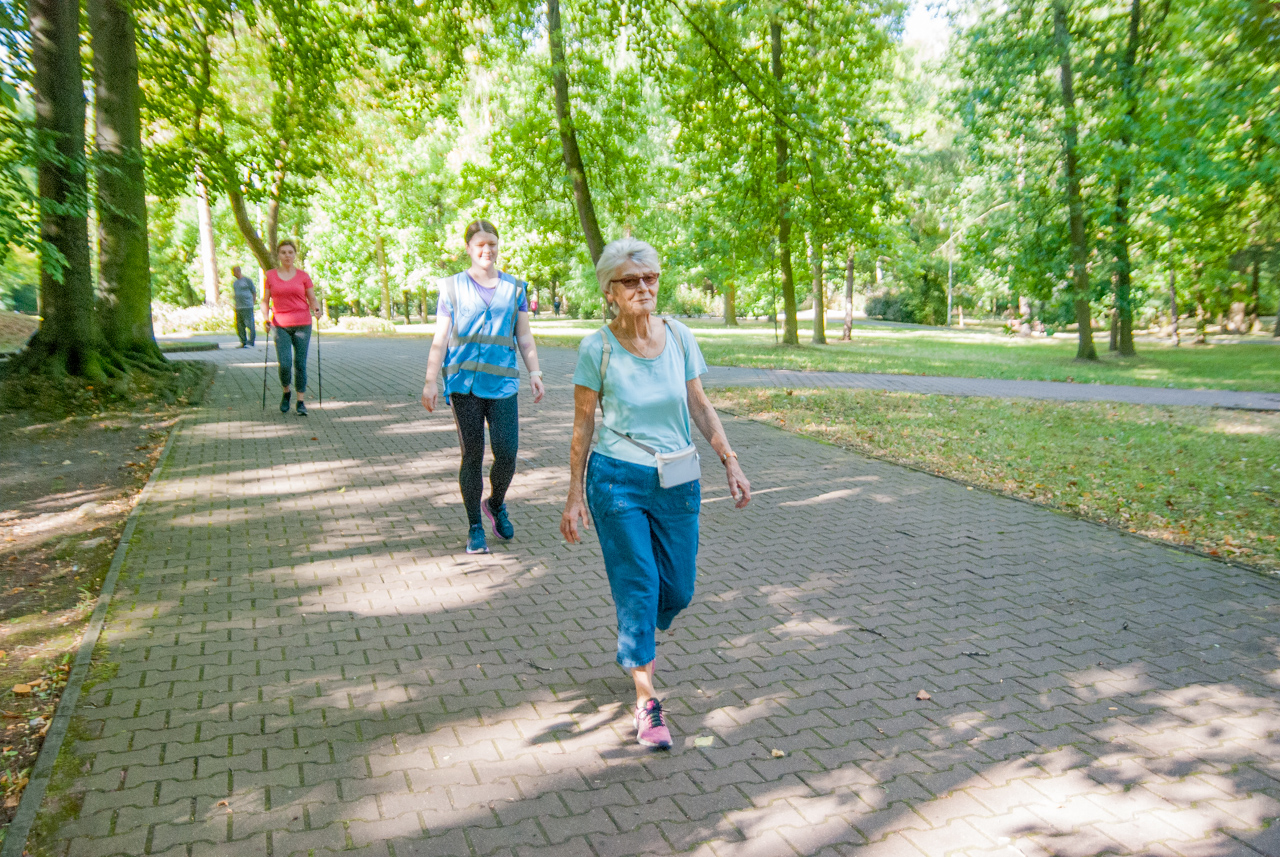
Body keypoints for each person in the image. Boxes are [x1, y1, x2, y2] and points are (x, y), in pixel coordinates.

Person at [560, 237, 751, 750]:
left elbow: (700, 404)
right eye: (631, 280)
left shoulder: (682, 336)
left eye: (650, 278)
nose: (643, 287)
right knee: (640, 584)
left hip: (679, 481)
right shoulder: (595, 348)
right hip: (616, 481)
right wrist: (574, 494)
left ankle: (639, 628)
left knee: (679, 590)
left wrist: (729, 460)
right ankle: (646, 702)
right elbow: (582, 426)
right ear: (609, 292)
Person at [421, 220, 546, 555]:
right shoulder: (451, 288)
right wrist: (431, 381)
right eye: (480, 245)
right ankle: (475, 526)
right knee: (472, 455)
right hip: (464, 385)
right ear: (468, 248)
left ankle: (497, 502)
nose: (486, 250)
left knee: (507, 453)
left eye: (492, 243)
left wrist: (535, 371)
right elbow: (441, 337)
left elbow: (524, 335)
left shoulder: (515, 288)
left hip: (503, 382)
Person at [262, 240, 320, 416]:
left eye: (290, 252)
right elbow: (265, 301)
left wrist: (316, 309)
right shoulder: (270, 276)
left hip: (303, 324)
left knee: (300, 364)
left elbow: (312, 298)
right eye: (283, 252)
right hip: (280, 326)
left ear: (295, 255)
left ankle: (301, 401)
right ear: (278, 255)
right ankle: (286, 392)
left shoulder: (303, 276)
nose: (287, 255)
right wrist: (265, 318)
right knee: (285, 363)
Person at [231, 265, 257, 348]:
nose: (233, 274)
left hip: (247, 306)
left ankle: (251, 341)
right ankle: (243, 341)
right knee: (239, 325)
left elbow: (253, 291)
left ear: (238, 271)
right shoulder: (235, 283)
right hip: (238, 307)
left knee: (250, 324)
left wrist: (253, 302)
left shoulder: (247, 280)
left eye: (234, 272)